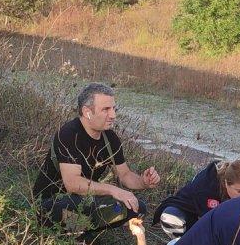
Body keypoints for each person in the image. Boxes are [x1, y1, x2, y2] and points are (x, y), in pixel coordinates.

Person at [32, 83, 160, 237]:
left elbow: (124, 175)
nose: (113, 115)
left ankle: (81, 231)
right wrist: (113, 190)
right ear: (87, 112)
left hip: (84, 202)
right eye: (106, 109)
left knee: (137, 208)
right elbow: (73, 183)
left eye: (114, 109)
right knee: (72, 207)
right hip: (51, 204)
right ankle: (75, 232)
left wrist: (143, 181)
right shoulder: (69, 134)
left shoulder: (110, 138)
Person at [153, 159, 240, 237]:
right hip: (190, 212)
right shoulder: (207, 188)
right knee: (171, 217)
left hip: (211, 217)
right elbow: (209, 225)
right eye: (239, 191)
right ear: (226, 183)